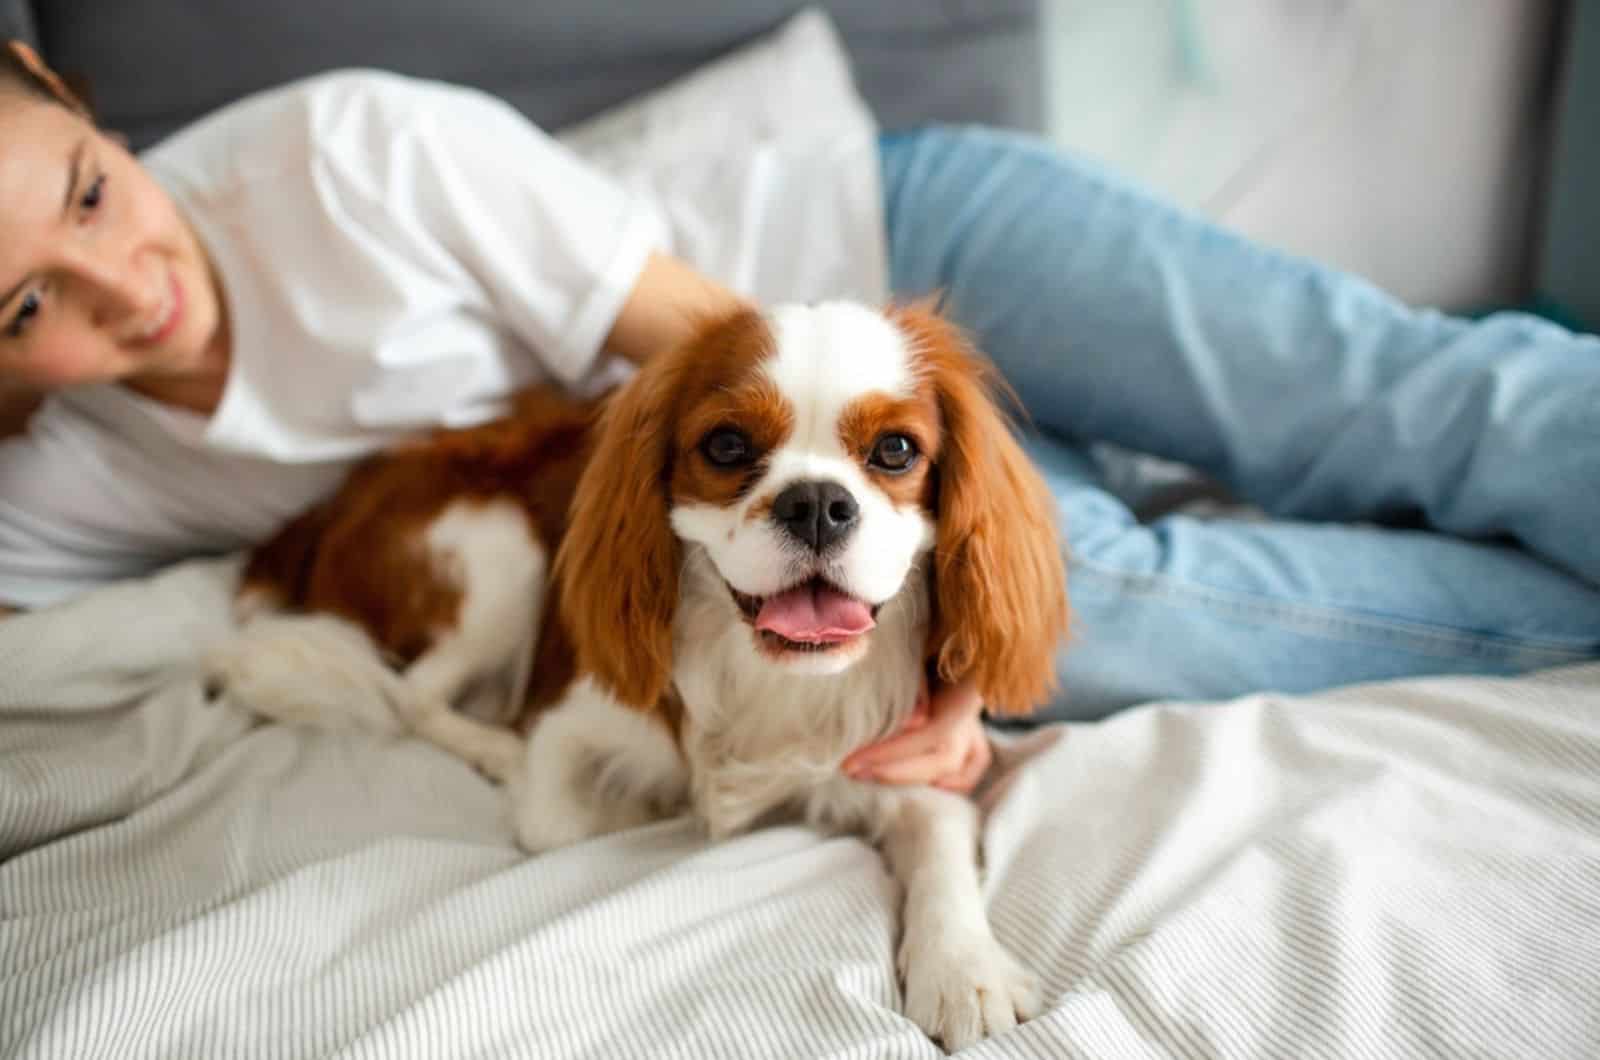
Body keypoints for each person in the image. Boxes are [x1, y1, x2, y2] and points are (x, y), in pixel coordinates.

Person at [1, 44, 1596, 795]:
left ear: (59, 87)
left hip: (895, 248)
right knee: (1127, 602)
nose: (118, 283)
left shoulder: (346, 152)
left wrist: (957, 631)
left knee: (1407, 393)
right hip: (796, 513)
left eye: (86, 189)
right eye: (24, 308)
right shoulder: (60, 485)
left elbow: (715, 365)